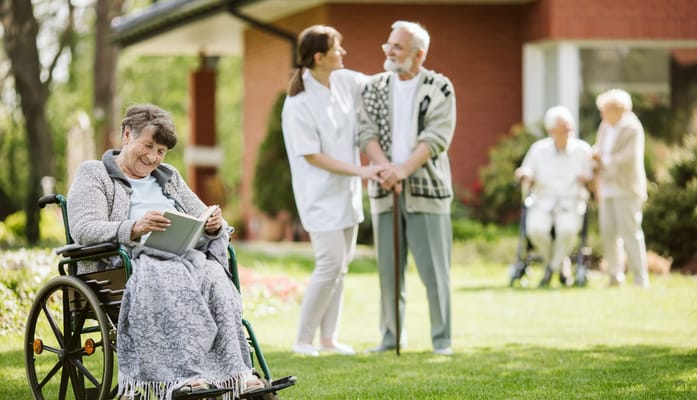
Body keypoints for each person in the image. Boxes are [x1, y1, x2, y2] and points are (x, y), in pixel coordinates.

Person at [67, 104, 264, 399]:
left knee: (213, 275)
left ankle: (236, 373)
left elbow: (201, 217)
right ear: (127, 135)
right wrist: (133, 228)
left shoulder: (168, 177)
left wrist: (213, 225)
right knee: (169, 273)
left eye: (161, 151)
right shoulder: (95, 173)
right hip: (125, 262)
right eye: (148, 145)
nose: (153, 157)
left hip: (182, 256)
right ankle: (183, 377)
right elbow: (84, 228)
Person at [281, 25, 384, 356]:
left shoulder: (344, 81)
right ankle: (302, 340)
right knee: (329, 264)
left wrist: (399, 60)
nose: (344, 52)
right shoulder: (297, 104)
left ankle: (328, 338)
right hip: (320, 197)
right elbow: (313, 155)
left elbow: (379, 84)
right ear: (319, 57)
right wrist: (362, 170)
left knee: (342, 265)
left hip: (347, 193)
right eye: (338, 48)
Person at [357, 20, 456, 355]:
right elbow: (365, 132)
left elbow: (437, 137)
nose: (388, 50)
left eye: (397, 46)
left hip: (427, 192)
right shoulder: (372, 87)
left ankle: (442, 340)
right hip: (385, 191)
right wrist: (387, 169)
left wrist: (403, 170)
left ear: (419, 55)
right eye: (389, 44)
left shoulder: (440, 87)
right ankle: (390, 337)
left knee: (435, 273)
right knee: (389, 274)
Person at [515, 105, 593, 287]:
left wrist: (587, 178)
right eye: (564, 128)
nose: (568, 132)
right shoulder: (538, 150)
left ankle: (550, 270)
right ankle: (560, 265)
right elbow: (526, 170)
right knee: (536, 230)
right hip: (542, 201)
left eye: (569, 128)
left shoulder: (582, 150)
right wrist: (524, 174)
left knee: (567, 231)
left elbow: (592, 177)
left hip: (571, 202)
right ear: (551, 131)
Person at [592, 88, 650, 288]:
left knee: (630, 232)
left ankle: (640, 278)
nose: (602, 114)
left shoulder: (632, 127)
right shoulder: (605, 126)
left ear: (618, 109)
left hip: (627, 188)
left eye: (605, 110)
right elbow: (598, 148)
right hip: (607, 187)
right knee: (608, 232)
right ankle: (615, 276)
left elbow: (629, 159)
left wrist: (603, 160)